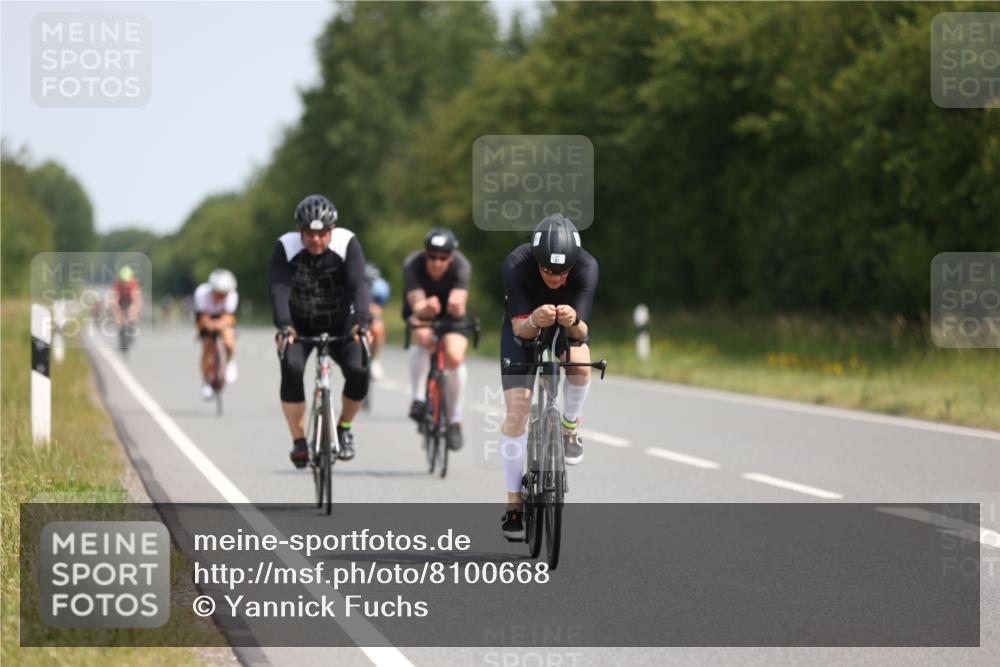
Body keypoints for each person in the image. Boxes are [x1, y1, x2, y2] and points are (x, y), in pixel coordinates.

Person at [498, 214, 598, 540]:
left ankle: (569, 429)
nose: (555, 278)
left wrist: (572, 320)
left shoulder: (586, 266)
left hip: (564, 327)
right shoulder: (517, 263)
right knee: (517, 413)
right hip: (524, 327)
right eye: (548, 272)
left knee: (581, 365)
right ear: (537, 262)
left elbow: (583, 331)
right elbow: (519, 329)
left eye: (562, 273)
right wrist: (535, 320)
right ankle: (514, 501)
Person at [271, 194, 371, 467]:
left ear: (332, 230)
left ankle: (344, 428)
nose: (316, 240)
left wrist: (361, 320)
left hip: (340, 323)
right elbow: (279, 289)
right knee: (291, 368)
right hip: (299, 325)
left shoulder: (346, 243)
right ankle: (299, 441)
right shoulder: (286, 247)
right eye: (309, 233)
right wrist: (284, 324)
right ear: (299, 231)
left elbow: (359, 284)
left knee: (360, 368)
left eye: (322, 233)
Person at [402, 227, 471, 451]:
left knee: (454, 356)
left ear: (450, 257)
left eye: (443, 258)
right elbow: (416, 302)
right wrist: (426, 308)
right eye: (432, 256)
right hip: (422, 310)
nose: (437, 263)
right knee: (423, 337)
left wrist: (455, 306)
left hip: (452, 316)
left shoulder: (461, 265)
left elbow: (459, 303)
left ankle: (454, 420)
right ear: (425, 254)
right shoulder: (413, 264)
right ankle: (418, 398)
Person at [193, 269, 239, 400]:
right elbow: (201, 317)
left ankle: (230, 362)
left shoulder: (232, 296)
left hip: (223, 316)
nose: (222, 296)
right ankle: (206, 383)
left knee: (229, 340)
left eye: (225, 293)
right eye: (219, 293)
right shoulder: (201, 294)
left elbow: (229, 317)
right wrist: (208, 325)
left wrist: (221, 325)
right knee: (207, 347)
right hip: (205, 315)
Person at [365, 262, 391, 381]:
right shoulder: (354, 282)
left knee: (378, 327)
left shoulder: (381, 287)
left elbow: (380, 308)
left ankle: (376, 359)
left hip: (372, 314)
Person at [111, 265, 142, 337]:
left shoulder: (133, 283)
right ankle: (121, 327)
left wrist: (133, 310)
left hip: (131, 299)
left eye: (126, 282)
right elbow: (115, 297)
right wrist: (116, 310)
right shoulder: (117, 283)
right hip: (122, 298)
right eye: (123, 282)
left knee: (133, 310)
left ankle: (132, 323)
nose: (125, 284)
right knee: (116, 309)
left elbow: (135, 299)